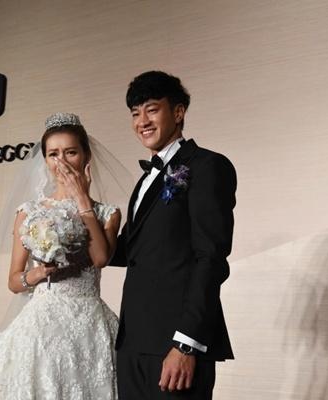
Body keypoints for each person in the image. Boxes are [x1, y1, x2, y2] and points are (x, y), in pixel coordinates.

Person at [0, 113, 124, 400]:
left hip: (91, 323)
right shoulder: (30, 212)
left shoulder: (107, 213)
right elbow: (14, 281)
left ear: (86, 156)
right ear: (44, 160)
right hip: (43, 321)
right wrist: (36, 274)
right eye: (53, 154)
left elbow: (100, 259)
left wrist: (82, 200)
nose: (61, 162)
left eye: (70, 152)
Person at [110, 71, 237, 399]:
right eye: (135, 114)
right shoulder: (145, 180)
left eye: (152, 109)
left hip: (175, 344)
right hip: (133, 344)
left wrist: (186, 344)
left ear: (178, 112)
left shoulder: (207, 166)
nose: (142, 121)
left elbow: (210, 258)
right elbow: (127, 252)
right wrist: (82, 208)